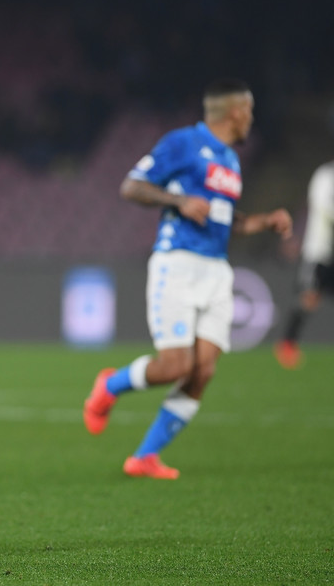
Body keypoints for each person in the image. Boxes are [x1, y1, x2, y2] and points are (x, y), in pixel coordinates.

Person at [83, 79, 292, 479]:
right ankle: (110, 386)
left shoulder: (230, 160)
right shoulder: (183, 143)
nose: (251, 119)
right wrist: (178, 200)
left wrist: (264, 221)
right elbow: (132, 187)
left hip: (217, 270)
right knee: (175, 366)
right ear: (235, 112)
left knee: (203, 371)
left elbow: (226, 220)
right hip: (177, 263)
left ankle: (144, 456)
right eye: (249, 111)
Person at [275, 159, 334, 369]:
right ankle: (288, 344)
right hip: (320, 249)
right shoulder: (326, 175)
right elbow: (323, 207)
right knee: (310, 297)